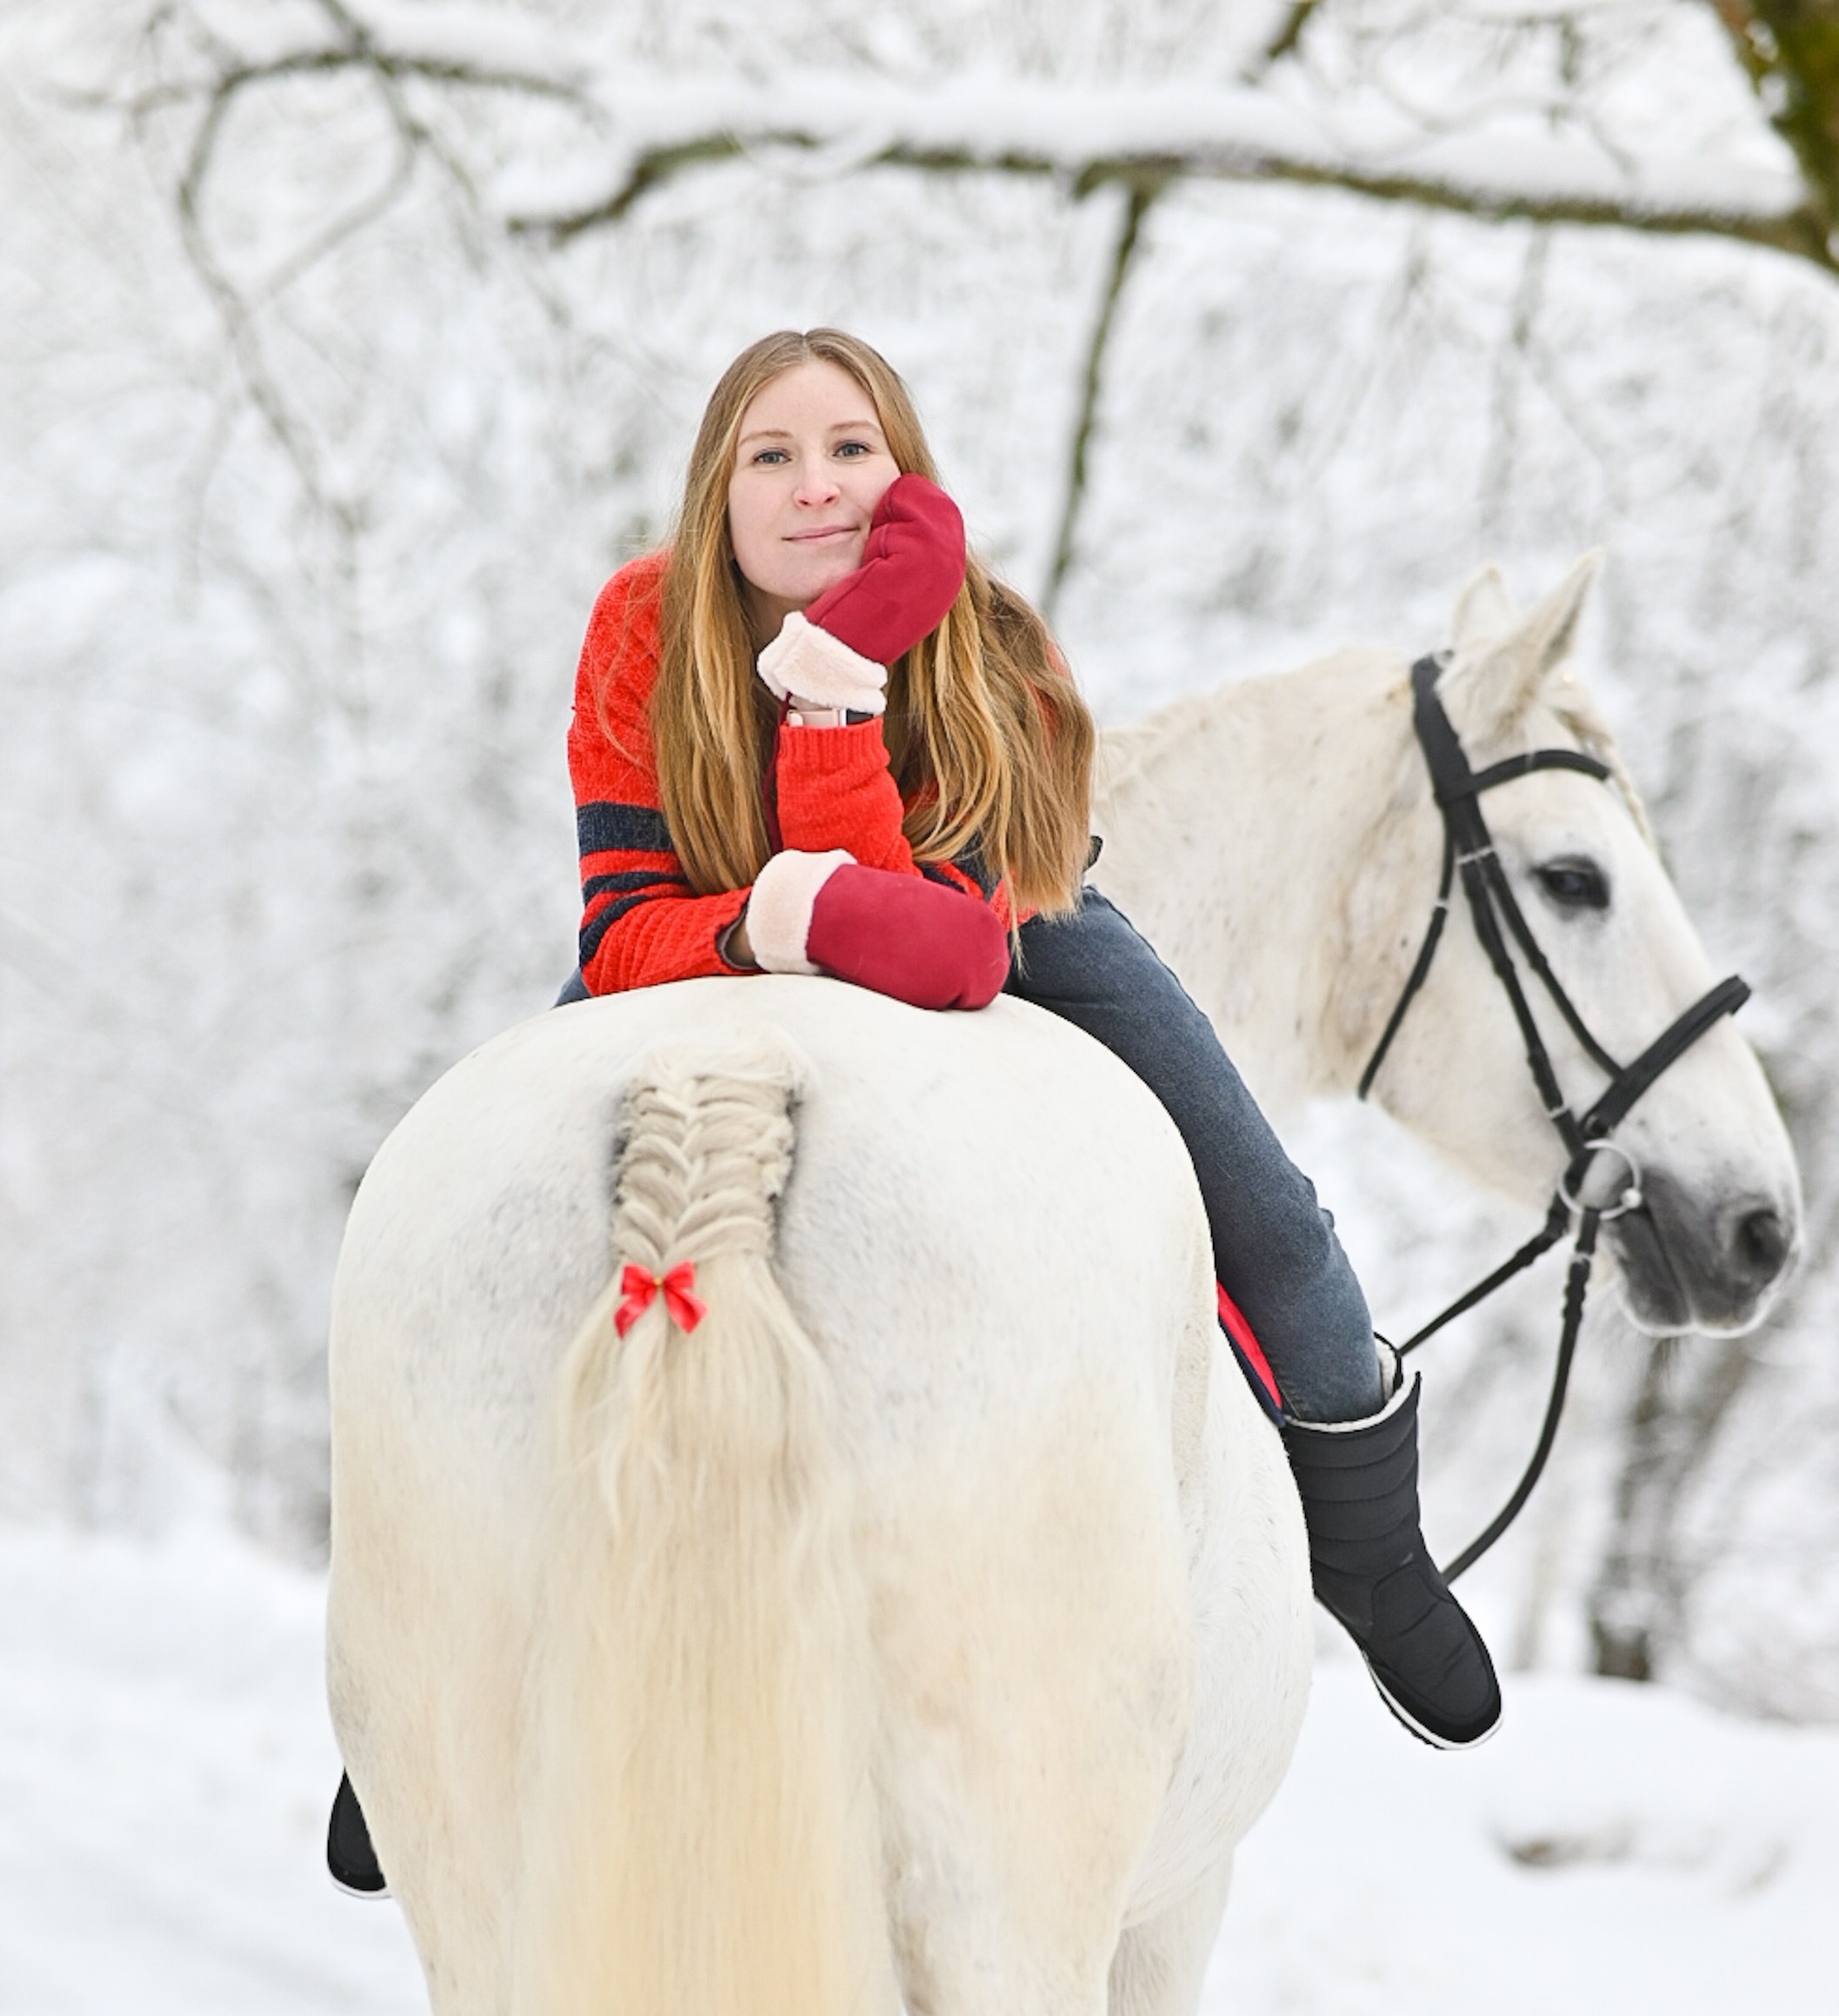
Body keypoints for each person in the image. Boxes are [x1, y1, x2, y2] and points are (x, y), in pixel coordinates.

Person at [324, 325, 1496, 1897]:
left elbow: (928, 935)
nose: (816, 485)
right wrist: (755, 926)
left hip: (1001, 921)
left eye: (852, 451)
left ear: (904, 475)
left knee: (1266, 1214)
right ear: (715, 489)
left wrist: (843, 670)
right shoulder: (641, 629)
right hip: (701, 939)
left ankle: (1371, 1554)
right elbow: (619, 925)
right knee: (501, 1228)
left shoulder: (990, 646)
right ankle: (446, 1644)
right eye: (773, 456)